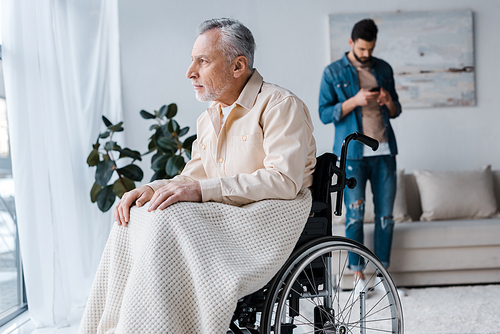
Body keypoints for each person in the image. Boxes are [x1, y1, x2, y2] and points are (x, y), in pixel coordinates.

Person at [79, 18, 316, 333]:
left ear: (238, 66)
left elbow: (283, 182)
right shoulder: (209, 118)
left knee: (167, 220)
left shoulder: (279, 105)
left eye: (202, 61)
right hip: (228, 211)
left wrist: (202, 191)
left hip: (271, 214)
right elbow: (194, 176)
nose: (190, 72)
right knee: (137, 215)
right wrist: (152, 188)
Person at [318, 18, 402, 294]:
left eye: (371, 49)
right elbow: (324, 113)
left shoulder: (384, 68)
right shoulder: (332, 72)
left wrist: (388, 101)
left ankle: (382, 276)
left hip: (385, 152)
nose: (367, 54)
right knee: (355, 217)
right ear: (351, 43)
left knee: (386, 217)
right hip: (352, 154)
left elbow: (396, 110)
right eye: (363, 49)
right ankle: (358, 278)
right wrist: (354, 101)